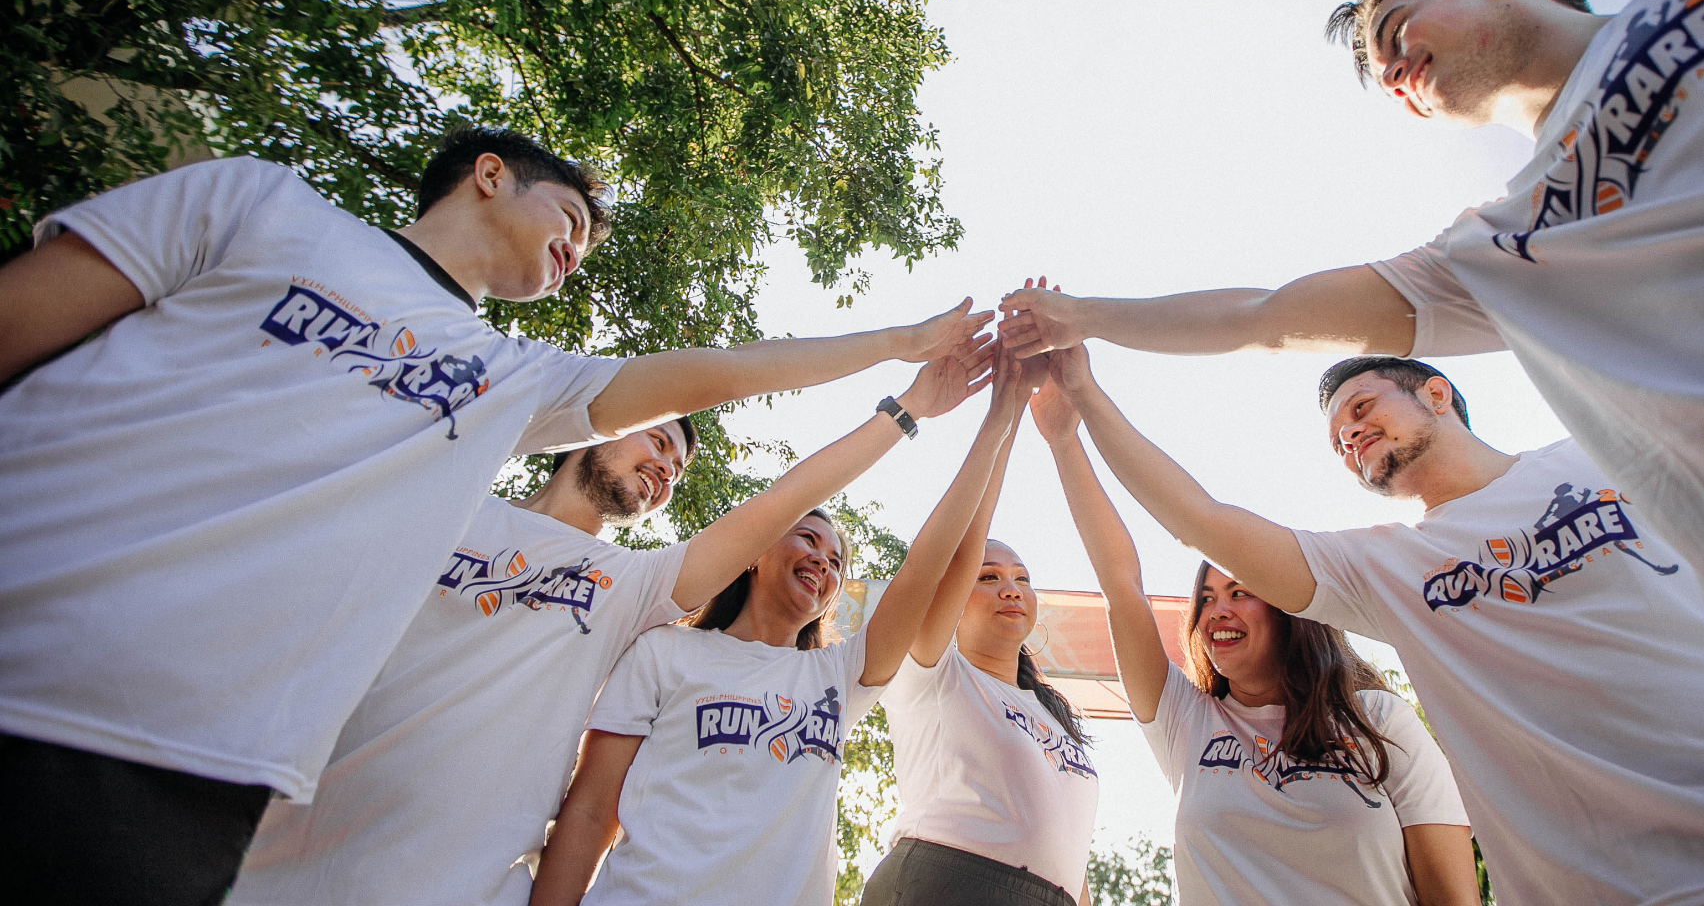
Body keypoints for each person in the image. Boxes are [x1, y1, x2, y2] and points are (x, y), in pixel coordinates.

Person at [998, 0, 1704, 867]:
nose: (1391, 72)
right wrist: (1083, 323)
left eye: (1395, 27)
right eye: (1338, 432)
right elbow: (1267, 315)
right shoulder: (1496, 250)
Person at [0, 125, 993, 905]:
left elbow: (747, 449)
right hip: (100, 705)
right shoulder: (266, 206)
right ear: (488, 174)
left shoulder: (532, 421)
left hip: (190, 776)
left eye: (676, 460)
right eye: (568, 214)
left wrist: (901, 369)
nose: (577, 248)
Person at [1043, 345, 1704, 905]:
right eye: (1337, 437)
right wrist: (1079, 397)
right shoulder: (1382, 568)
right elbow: (1196, 516)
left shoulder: (1601, 455)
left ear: (1437, 392)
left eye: (1359, 409)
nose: (1348, 436)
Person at [231, 317, 980, 906]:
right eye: (658, 439)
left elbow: (781, 502)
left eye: (677, 471)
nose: (664, 468)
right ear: (590, 430)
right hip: (282, 845)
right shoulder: (442, 507)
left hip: (468, 884)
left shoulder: (634, 589)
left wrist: (907, 409)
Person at [528, 341, 1027, 906]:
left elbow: (927, 573)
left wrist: (1000, 419)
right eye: (808, 540)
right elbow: (593, 810)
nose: (823, 561)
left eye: (837, 562)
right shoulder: (663, 652)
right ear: (756, 551)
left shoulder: (839, 677)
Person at [1029, 361, 1476, 906]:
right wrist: (1063, 441)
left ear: (1290, 608)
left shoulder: (1378, 721)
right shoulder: (1187, 723)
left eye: (1240, 592)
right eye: (1206, 599)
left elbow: (1452, 893)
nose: (1217, 610)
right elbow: (1121, 585)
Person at [864, 359, 1098, 906]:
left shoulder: (1053, 714)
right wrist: (1007, 411)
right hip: (950, 882)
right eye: (988, 578)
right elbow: (956, 550)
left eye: (1022, 579)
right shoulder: (929, 674)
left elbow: (1067, 848)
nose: (1010, 589)